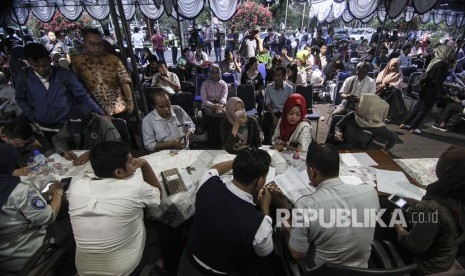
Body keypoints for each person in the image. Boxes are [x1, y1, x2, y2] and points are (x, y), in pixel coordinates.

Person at [178, 148, 281, 275]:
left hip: (191, 258)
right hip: (222, 271)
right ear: (260, 181)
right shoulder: (260, 223)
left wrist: (241, 163)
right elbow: (265, 252)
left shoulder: (206, 183)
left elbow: (214, 169)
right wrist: (265, 207)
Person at [67, 141, 162, 276]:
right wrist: (145, 164)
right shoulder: (135, 187)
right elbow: (158, 194)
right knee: (156, 230)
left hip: (83, 270)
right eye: (130, 162)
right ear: (118, 172)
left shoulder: (76, 186)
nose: (134, 164)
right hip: (125, 270)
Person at [288, 143, 380, 267]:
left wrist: (284, 214)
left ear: (312, 171)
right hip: (361, 270)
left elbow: (297, 254)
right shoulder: (370, 192)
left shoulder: (306, 205)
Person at [394, 145, 465, 275]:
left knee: (386, 220)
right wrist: (419, 206)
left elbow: (414, 246)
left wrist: (398, 227)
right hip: (446, 255)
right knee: (402, 204)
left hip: (426, 266)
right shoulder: (456, 196)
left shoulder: (434, 208)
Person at [15, 42, 104, 143]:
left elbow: (83, 96)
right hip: (46, 129)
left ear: (50, 59)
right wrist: (33, 116)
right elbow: (21, 99)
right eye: (35, 66)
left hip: (71, 125)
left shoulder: (64, 74)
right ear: (29, 63)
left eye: (44, 65)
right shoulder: (23, 77)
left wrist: (100, 114)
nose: (41, 69)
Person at [0, 143, 64, 274]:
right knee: (71, 225)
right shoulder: (19, 190)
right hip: (27, 256)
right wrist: (58, 192)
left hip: (4, 258)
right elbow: (48, 217)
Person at [72, 28, 134, 118]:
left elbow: (124, 81)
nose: (96, 47)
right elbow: (77, 88)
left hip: (118, 109)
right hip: (94, 111)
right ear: (85, 44)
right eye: (92, 44)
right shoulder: (78, 62)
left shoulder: (113, 60)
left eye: (99, 44)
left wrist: (130, 101)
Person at [401, 45, 456, 134]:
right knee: (424, 110)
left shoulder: (435, 61)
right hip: (431, 90)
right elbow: (438, 81)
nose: (453, 54)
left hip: (424, 88)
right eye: (451, 52)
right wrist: (444, 93)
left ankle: (405, 123)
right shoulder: (443, 64)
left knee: (417, 107)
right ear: (445, 52)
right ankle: (414, 127)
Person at [52, 104, 121, 166]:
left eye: (81, 127)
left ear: (91, 120)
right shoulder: (73, 122)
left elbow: (115, 148)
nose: (77, 129)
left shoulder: (105, 126)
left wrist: (91, 153)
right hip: (79, 158)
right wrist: (64, 152)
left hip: (100, 159)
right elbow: (58, 139)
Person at [332, 93, 398, 150]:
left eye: (360, 104)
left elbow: (393, 138)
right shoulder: (352, 115)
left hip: (360, 153)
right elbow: (339, 125)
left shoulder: (376, 126)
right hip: (342, 149)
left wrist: (385, 150)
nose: (357, 105)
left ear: (369, 109)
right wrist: (337, 132)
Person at [263, 67, 294, 145]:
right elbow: (268, 103)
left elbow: (289, 105)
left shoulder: (289, 88)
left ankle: (284, 143)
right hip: (272, 112)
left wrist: (281, 118)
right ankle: (267, 143)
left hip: (284, 113)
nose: (275, 78)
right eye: (275, 75)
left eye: (278, 75)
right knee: (265, 123)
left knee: (284, 124)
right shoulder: (269, 87)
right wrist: (274, 117)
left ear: (283, 77)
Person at [201, 65, 229, 145]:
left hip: (220, 105)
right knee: (211, 116)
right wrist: (213, 105)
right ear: (210, 73)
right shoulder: (205, 84)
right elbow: (204, 100)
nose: (215, 74)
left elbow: (224, 97)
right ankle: (212, 139)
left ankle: (221, 138)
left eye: (217, 72)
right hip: (207, 105)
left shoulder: (223, 84)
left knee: (220, 114)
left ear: (219, 73)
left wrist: (219, 105)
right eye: (213, 73)